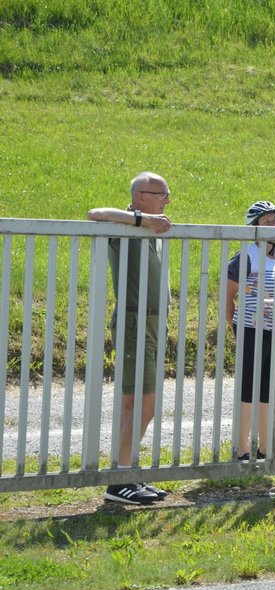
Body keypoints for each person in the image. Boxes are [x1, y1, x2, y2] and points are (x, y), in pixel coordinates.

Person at [87, 171, 173, 505]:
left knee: (132, 404)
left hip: (151, 322)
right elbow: (94, 215)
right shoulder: (127, 223)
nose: (166, 201)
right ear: (141, 196)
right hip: (136, 320)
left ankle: (125, 475)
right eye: (161, 194)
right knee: (144, 405)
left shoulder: (150, 228)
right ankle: (119, 480)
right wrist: (142, 219)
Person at [224, 201, 275, 462]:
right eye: (267, 221)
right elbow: (228, 296)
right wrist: (235, 326)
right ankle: (242, 447)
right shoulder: (247, 256)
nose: (273, 226)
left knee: (267, 390)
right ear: (255, 226)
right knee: (248, 389)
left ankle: (265, 447)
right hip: (249, 328)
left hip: (273, 331)